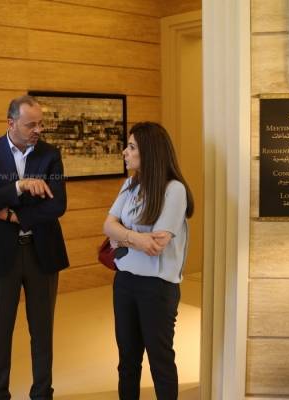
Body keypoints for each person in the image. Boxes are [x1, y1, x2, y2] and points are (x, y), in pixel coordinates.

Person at [0, 95, 69, 400]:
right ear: (11, 123)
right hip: (1, 255)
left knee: (42, 331)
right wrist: (20, 186)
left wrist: (14, 215)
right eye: (31, 125)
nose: (38, 130)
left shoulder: (50, 154)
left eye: (41, 124)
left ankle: (42, 393)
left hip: (43, 252)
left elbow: (58, 205)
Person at [102, 122, 194, 400]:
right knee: (127, 362)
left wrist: (122, 238)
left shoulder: (174, 190)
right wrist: (136, 238)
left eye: (131, 147)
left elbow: (155, 246)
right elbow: (108, 226)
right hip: (124, 282)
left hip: (157, 288)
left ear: (150, 151)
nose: (124, 152)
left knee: (160, 362)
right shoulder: (130, 184)